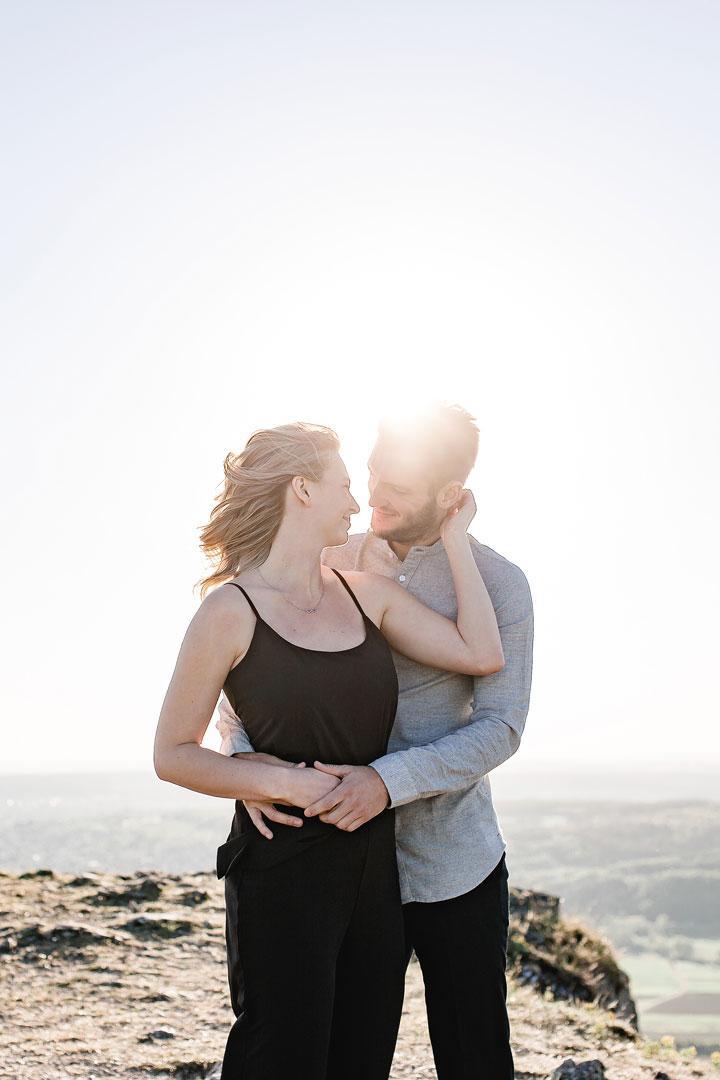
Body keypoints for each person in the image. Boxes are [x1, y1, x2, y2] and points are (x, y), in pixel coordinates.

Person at [153, 419, 504, 1080]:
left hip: (375, 876)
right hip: (282, 875)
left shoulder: (365, 595)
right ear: (303, 490)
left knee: (361, 1060)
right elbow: (172, 752)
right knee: (280, 1058)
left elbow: (481, 654)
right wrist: (273, 781)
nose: (357, 503)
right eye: (345, 486)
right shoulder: (227, 612)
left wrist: (455, 535)